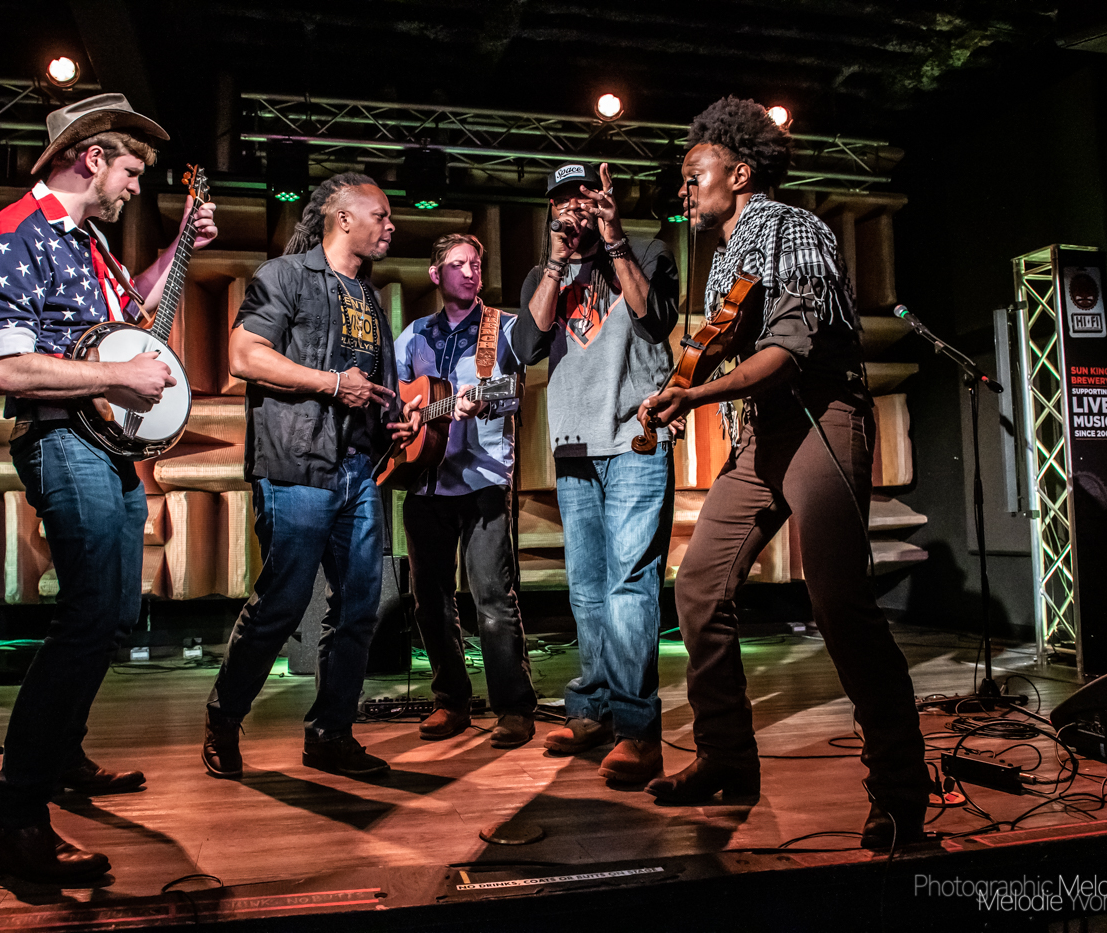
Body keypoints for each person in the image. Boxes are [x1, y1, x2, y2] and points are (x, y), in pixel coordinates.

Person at [638, 97, 930, 849]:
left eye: (695, 174)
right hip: (760, 437)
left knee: (839, 603)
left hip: (820, 420)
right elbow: (726, 346)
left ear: (739, 174)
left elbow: (791, 349)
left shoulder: (793, 230)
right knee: (699, 586)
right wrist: (684, 392)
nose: (684, 188)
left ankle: (901, 791)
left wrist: (695, 394)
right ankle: (727, 757)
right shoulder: (723, 256)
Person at [0, 93, 218, 883]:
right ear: (93, 158)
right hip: (61, 440)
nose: (137, 185)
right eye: (132, 170)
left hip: (106, 447)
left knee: (111, 614)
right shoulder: (14, 235)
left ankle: (63, 755)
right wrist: (115, 377)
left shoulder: (90, 243)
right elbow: (4, 365)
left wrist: (179, 247)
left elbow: (131, 314)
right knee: (85, 617)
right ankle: (14, 820)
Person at [202, 173, 422, 781]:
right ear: (343, 218)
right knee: (282, 603)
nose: (391, 225)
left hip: (358, 471)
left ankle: (330, 734)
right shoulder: (285, 276)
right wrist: (331, 383)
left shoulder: (369, 298)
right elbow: (244, 355)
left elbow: (368, 393)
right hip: (296, 465)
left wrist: (394, 424)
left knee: (358, 610)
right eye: (380, 215)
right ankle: (224, 715)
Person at [513, 162, 680, 783]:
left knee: (629, 587)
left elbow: (654, 319)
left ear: (603, 200)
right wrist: (555, 265)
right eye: (561, 201)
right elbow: (526, 347)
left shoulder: (648, 253)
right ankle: (594, 710)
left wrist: (613, 242)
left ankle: (638, 732)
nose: (572, 209)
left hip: (636, 439)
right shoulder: (544, 273)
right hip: (574, 448)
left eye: (583, 197)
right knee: (586, 588)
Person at [394, 233, 535, 747]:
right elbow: (395, 402)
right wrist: (406, 417)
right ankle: (450, 700)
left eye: (476, 264)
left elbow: (514, 392)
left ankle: (513, 708)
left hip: (483, 482)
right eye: (458, 264)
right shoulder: (413, 334)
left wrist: (486, 401)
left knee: (493, 599)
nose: (471, 272)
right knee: (430, 602)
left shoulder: (504, 328)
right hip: (425, 483)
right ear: (436, 275)